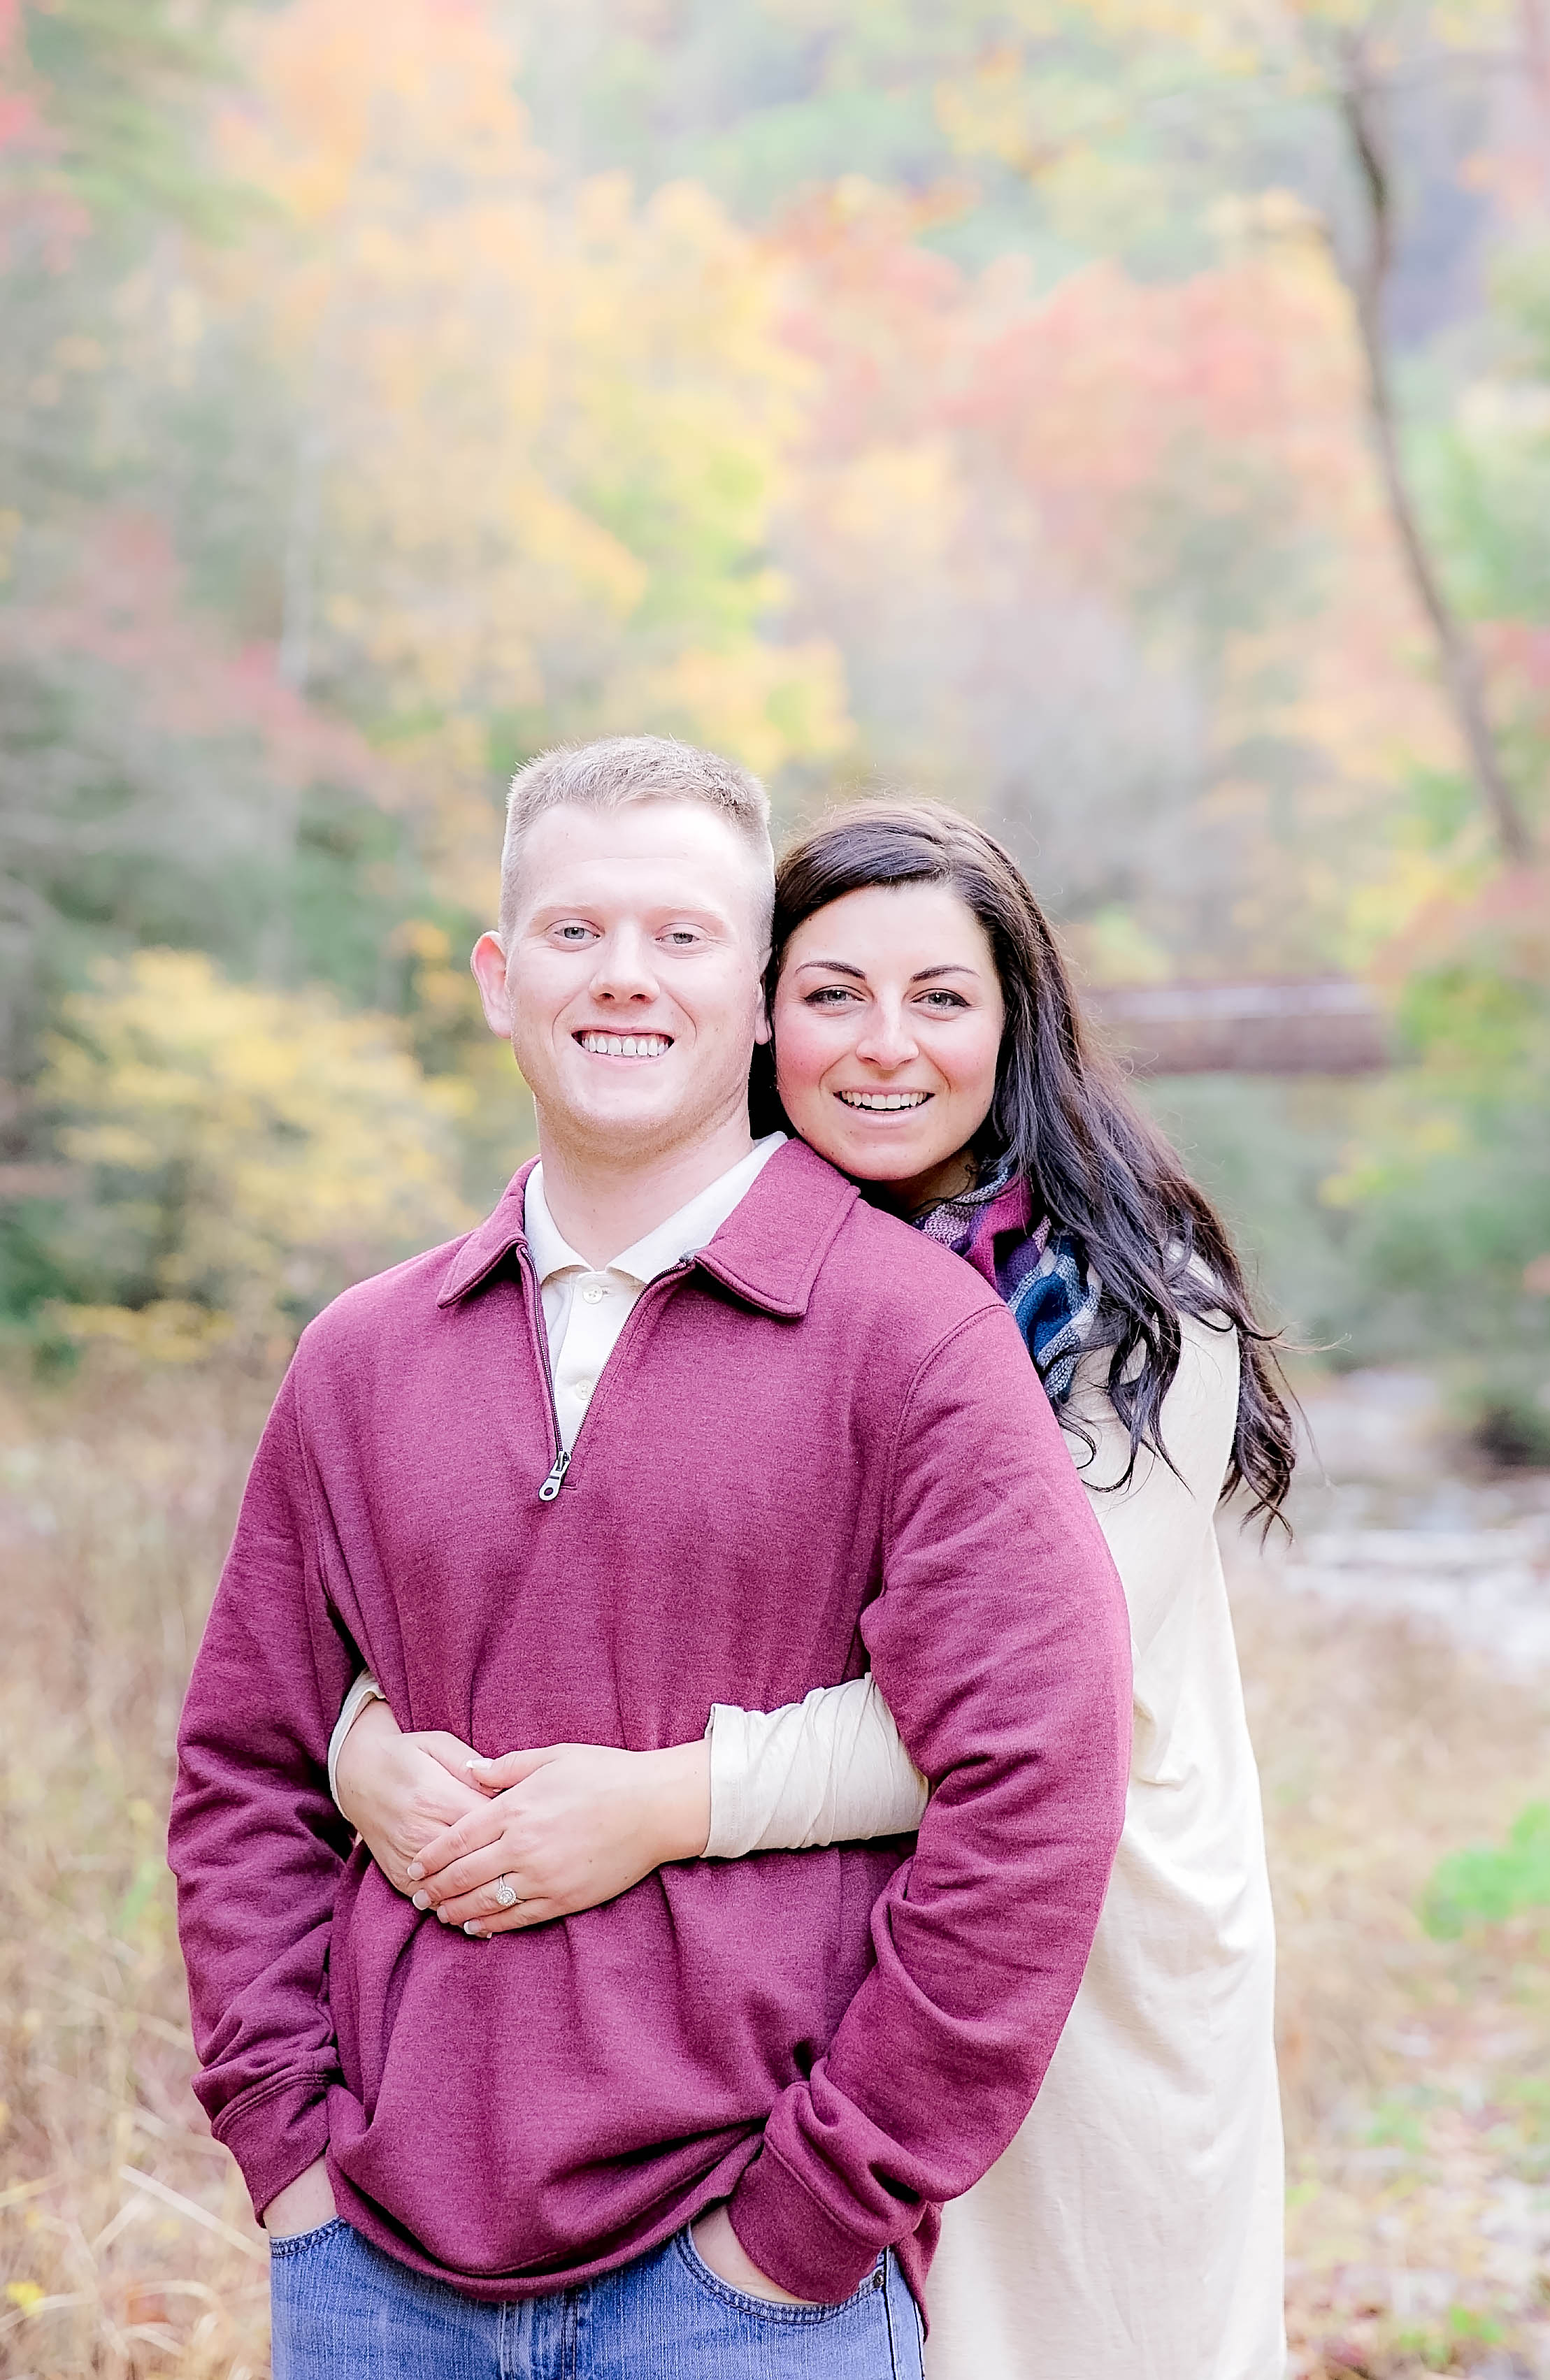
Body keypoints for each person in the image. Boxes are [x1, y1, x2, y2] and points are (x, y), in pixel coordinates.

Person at [168, 740, 1133, 2380]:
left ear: (759, 1000)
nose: (626, 978)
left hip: (747, 2285)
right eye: (574, 932)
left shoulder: (914, 1341)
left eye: (683, 937)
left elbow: (1037, 1778)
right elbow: (246, 1761)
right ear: (497, 975)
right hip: (372, 2272)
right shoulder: (361, 1351)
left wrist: (816, 2212)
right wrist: (291, 2159)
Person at [336, 798, 1296, 2380]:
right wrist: (362, 1739)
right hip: (796, 1972)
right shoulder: (707, 1271)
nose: (882, 1046)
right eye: (833, 991)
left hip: (1072, 1942)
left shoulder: (1129, 1322)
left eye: (941, 996)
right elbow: (542, 1584)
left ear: (1016, 1024)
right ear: (764, 1012)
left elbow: (1019, 1714)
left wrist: (656, 1799)